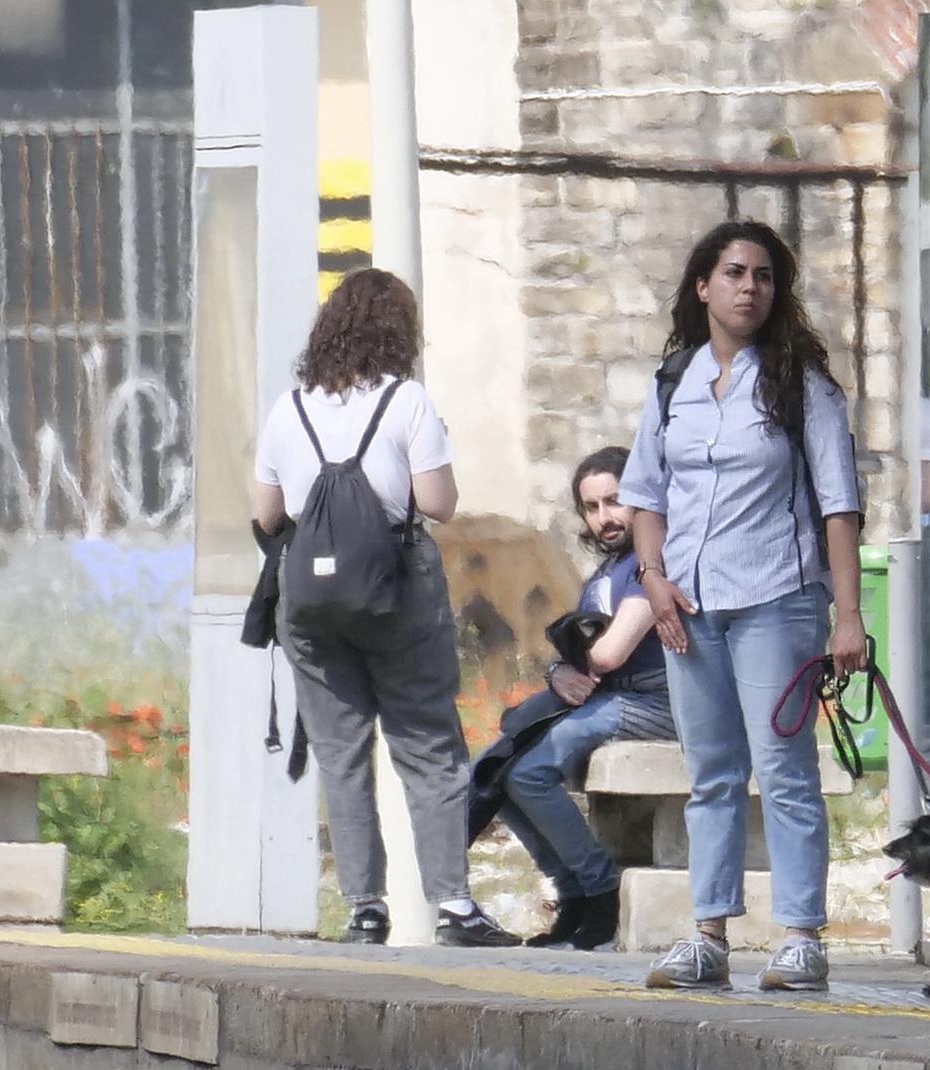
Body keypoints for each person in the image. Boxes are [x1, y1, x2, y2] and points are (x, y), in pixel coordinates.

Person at [621, 217, 868, 997]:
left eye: (762, 276)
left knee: (784, 768)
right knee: (711, 771)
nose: (747, 288)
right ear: (703, 286)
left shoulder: (802, 385)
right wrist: (651, 575)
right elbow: (645, 494)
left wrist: (848, 615)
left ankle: (800, 936)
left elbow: (838, 506)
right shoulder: (674, 384)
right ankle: (707, 934)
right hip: (688, 604)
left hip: (776, 596)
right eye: (732, 273)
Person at [249, 266, 504, 947]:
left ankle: (365, 907)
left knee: (341, 751)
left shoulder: (288, 408)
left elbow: (266, 514)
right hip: (396, 589)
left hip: (310, 603)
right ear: (401, 333)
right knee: (426, 745)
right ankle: (453, 905)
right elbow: (440, 505)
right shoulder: (408, 403)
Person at [470, 446, 678, 950]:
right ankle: (573, 892)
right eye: (591, 507)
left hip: (657, 705)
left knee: (528, 772)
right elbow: (581, 653)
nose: (604, 517)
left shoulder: (653, 560)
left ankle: (598, 890)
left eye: (615, 501)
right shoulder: (606, 574)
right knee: (499, 769)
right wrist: (561, 669)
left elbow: (608, 653)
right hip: (610, 700)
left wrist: (571, 662)